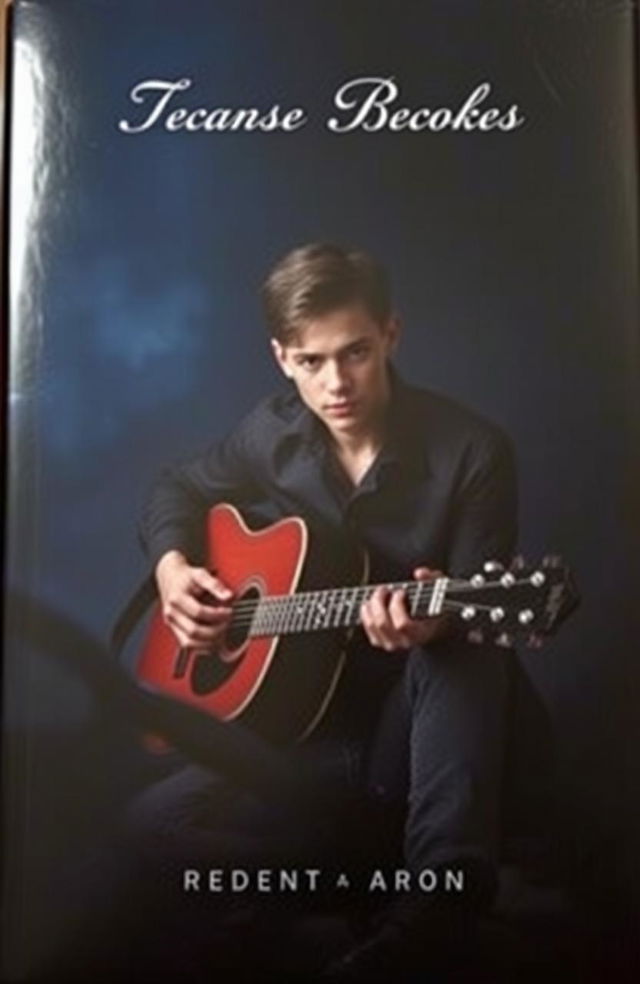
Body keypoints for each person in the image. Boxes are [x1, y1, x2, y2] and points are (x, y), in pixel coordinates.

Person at [137, 242, 522, 980]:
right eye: (311, 362)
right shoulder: (270, 434)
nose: (335, 382)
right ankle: (345, 859)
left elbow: (479, 612)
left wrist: (431, 623)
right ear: (282, 358)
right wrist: (173, 568)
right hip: (302, 736)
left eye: (356, 353)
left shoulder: (474, 451)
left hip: (420, 732)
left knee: (465, 643)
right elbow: (174, 487)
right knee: (148, 827)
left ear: (392, 335)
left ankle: (439, 910)